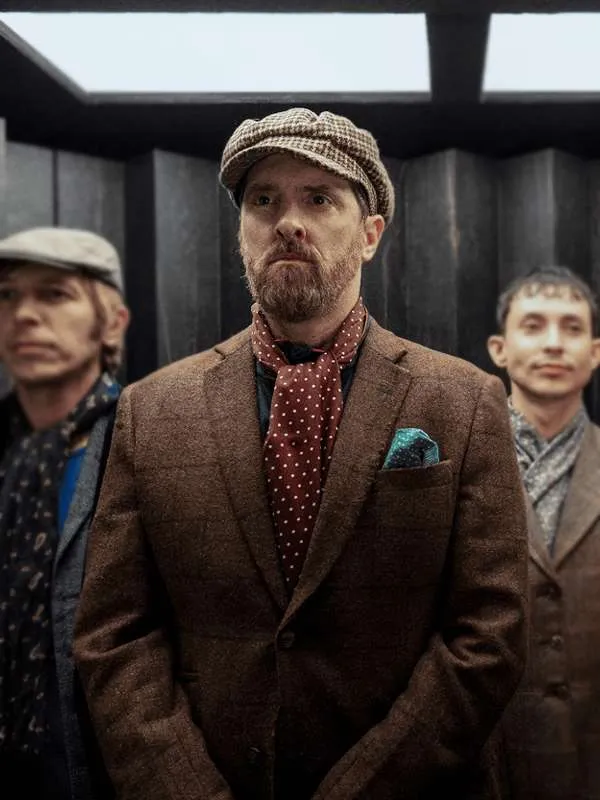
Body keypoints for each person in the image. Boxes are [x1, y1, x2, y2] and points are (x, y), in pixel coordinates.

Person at [73, 108, 528, 800]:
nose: (288, 221)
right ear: (241, 233)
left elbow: (489, 633)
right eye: (264, 200)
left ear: (370, 234)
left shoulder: (463, 401)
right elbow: (115, 633)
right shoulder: (151, 410)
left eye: (319, 198)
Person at [0, 227, 130, 800]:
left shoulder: (140, 444)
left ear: (112, 324)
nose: (23, 315)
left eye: (55, 294)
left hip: (95, 766)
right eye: (7, 296)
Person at [487, 266, 600, 800]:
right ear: (499, 349)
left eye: (571, 328)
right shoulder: (464, 459)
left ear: (595, 353)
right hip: (489, 755)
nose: (554, 343)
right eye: (533, 326)